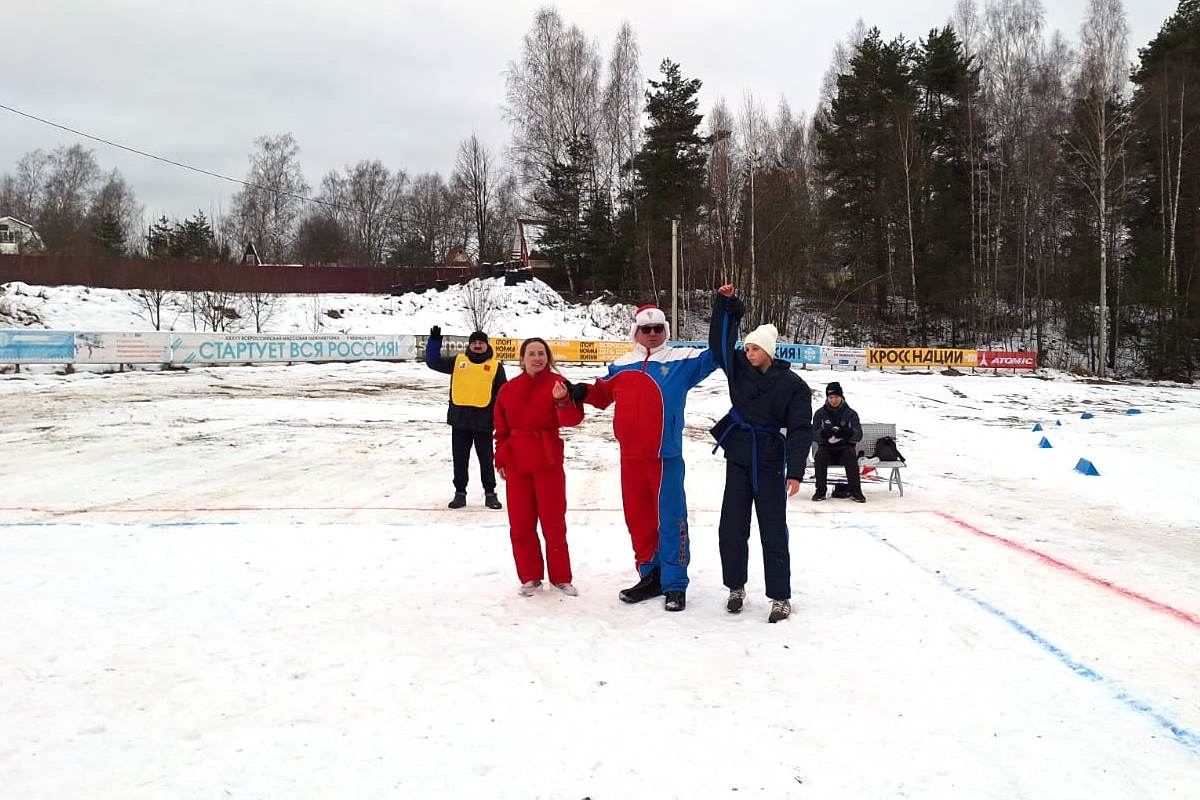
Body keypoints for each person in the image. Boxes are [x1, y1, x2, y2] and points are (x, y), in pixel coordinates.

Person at [565, 302, 718, 612]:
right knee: (639, 521)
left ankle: (675, 583)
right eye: (645, 329)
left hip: (665, 458)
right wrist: (580, 391)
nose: (652, 334)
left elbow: (717, 354)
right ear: (636, 332)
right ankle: (651, 575)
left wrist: (725, 311)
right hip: (630, 458)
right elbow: (602, 394)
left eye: (657, 328)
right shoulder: (622, 365)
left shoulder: (681, 361)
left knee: (671, 521)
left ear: (666, 331)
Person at [709, 285, 812, 623]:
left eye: (754, 348)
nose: (748, 352)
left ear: (768, 351)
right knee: (732, 526)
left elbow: (800, 430)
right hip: (738, 453)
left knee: (772, 528)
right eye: (747, 347)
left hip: (769, 459)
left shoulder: (793, 385)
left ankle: (780, 596)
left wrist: (795, 471)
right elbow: (719, 345)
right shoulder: (738, 367)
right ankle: (735, 586)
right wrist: (726, 307)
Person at [493, 338, 585, 597]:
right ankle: (530, 575)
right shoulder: (508, 389)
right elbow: (501, 429)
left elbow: (573, 419)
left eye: (541, 353)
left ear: (548, 357)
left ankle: (561, 577)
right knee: (521, 523)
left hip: (547, 460)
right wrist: (500, 458)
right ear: (522, 359)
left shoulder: (558, 384)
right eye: (531, 354)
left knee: (553, 520)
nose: (537, 358)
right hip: (517, 461)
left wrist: (562, 400)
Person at [425, 326, 507, 510]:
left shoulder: (495, 366)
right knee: (460, 460)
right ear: (469, 345)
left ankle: (490, 493)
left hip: (484, 423)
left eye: (481, 342)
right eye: (474, 342)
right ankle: (460, 494)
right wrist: (435, 342)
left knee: (486, 460)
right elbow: (432, 362)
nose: (477, 345)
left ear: (487, 345)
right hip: (459, 421)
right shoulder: (458, 361)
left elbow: (504, 394)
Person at [811, 381, 865, 503]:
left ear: (841, 397)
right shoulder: (820, 413)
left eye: (836, 397)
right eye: (830, 397)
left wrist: (848, 433)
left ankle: (856, 491)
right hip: (826, 449)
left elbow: (858, 435)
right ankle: (820, 490)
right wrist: (823, 434)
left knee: (850, 454)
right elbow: (813, 434)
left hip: (844, 449)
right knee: (820, 456)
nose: (833, 400)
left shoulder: (851, 414)